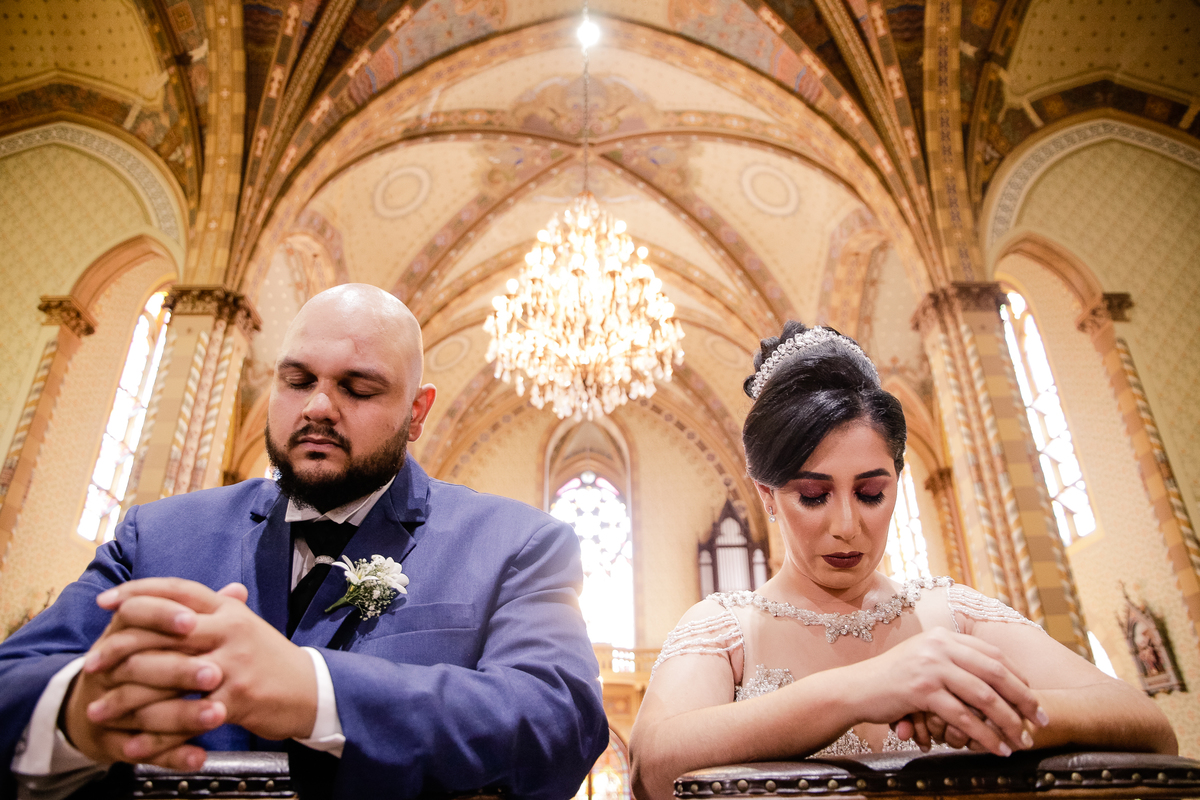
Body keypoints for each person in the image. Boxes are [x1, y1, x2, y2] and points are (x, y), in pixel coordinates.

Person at [0, 284, 609, 800]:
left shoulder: (516, 544)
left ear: (416, 412)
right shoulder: (157, 535)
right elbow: (13, 680)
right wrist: (77, 712)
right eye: (296, 380)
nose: (318, 407)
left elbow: (561, 719)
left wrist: (315, 690)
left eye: (358, 388)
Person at [629, 321, 1176, 800]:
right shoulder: (725, 628)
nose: (847, 525)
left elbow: (1147, 724)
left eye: (871, 493)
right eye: (813, 496)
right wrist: (861, 688)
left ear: (897, 480)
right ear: (767, 495)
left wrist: (992, 711)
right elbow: (651, 768)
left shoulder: (953, 611)